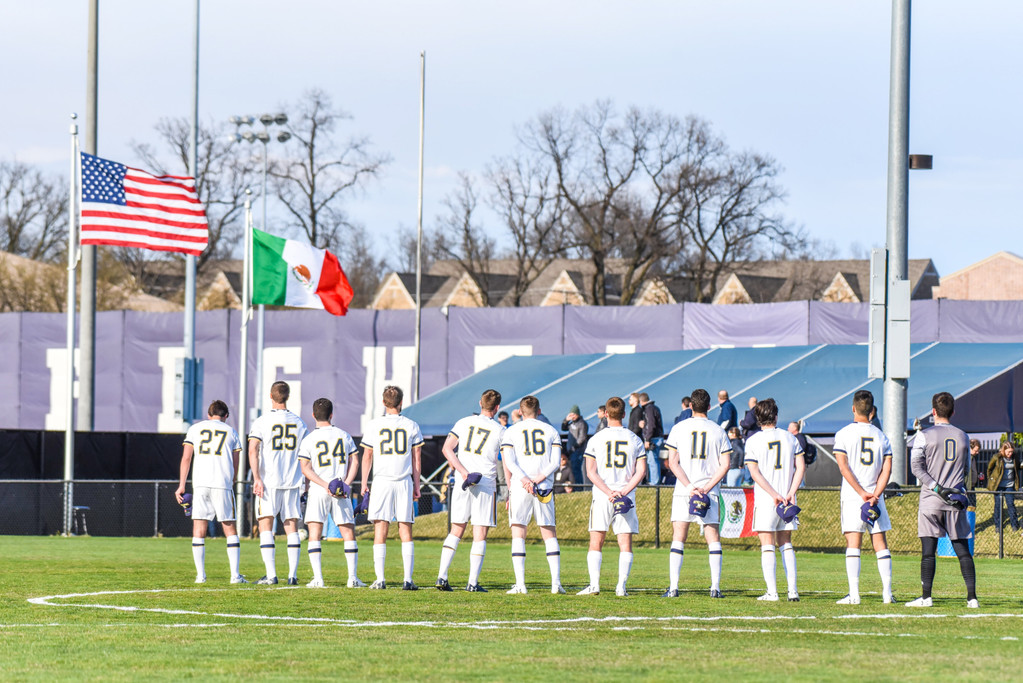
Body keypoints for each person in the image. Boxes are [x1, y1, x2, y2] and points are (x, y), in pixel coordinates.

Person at [906, 391, 978, 608]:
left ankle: (926, 597)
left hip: (931, 499)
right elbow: (966, 469)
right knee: (962, 550)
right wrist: (956, 489)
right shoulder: (963, 436)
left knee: (928, 550)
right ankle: (972, 598)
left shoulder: (923, 435)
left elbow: (916, 467)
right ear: (953, 411)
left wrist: (937, 487)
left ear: (933, 411)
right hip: (955, 499)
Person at [662, 388, 731, 598]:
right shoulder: (718, 430)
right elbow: (725, 464)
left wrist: (690, 487)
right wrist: (706, 488)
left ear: (691, 405)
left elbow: (672, 462)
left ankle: (674, 587)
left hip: (685, 490)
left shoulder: (679, 427)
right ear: (710, 406)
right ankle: (715, 587)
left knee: (679, 537)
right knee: (713, 537)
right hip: (708, 492)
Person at [578, 396, 647, 596]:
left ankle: (594, 585)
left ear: (606, 414)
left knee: (596, 541)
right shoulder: (634, 438)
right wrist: (623, 492)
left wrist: (609, 492)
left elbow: (591, 472)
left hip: (602, 495)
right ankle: (621, 587)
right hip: (626, 496)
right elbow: (641, 471)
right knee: (625, 543)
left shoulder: (596, 438)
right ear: (624, 414)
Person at [436, 389, 503, 592]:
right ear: (497, 408)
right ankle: (472, 582)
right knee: (479, 534)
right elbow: (506, 461)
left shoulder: (464, 422)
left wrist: (463, 472)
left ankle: (442, 576)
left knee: (456, 531)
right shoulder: (500, 430)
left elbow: (447, 449)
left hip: (463, 482)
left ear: (479, 403)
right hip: (485, 483)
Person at [832, 390, 895, 604]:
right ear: (872, 410)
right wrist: (875, 494)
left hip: (853, 496)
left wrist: (861, 493)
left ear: (853, 408)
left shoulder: (843, 434)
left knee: (853, 543)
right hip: (875, 498)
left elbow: (843, 467)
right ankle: (887, 593)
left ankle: (854, 594)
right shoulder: (882, 436)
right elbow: (887, 470)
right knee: (880, 543)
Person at [360, 385, 424, 591]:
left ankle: (380, 579)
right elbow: (417, 459)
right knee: (405, 528)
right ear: (401, 402)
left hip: (382, 480)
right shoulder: (411, 425)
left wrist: (363, 483)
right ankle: (407, 579)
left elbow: (367, 456)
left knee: (381, 527)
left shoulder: (374, 425)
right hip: (403, 480)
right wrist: (417, 485)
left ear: (383, 402)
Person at [176, 400, 246, 585]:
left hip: (201, 483)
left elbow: (186, 458)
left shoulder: (195, 429)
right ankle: (235, 575)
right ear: (226, 416)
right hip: (222, 482)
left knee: (199, 528)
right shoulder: (231, 431)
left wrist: (182, 484)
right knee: (229, 527)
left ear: (208, 414)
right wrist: (232, 479)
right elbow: (236, 460)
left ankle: (200, 576)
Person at [500, 395, 565, 595]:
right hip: (543, 485)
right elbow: (555, 463)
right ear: (539, 410)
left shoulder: (511, 431)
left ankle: (521, 584)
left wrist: (526, 480)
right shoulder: (551, 430)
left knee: (518, 531)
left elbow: (509, 463)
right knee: (549, 532)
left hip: (521, 485)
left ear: (520, 411)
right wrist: (537, 480)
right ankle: (556, 584)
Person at [297, 397, 363, 588]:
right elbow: (355, 462)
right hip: (340, 490)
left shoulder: (309, 439)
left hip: (319, 489)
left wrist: (324, 484)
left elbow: (305, 468)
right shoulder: (344, 435)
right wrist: (346, 484)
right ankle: (352, 578)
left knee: (315, 533)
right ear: (332, 414)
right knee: (348, 532)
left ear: (312, 415)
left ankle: (318, 578)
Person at [248, 381, 308, 586]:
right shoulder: (300, 423)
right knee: (291, 526)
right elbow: (305, 454)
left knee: (266, 524)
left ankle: (272, 575)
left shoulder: (262, 421)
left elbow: (253, 449)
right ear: (288, 396)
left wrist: (256, 477)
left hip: (269, 480)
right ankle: (292, 575)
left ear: (271, 397)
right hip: (292, 480)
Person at [745, 398, 805, 602]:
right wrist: (790, 492)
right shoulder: (790, 438)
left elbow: (754, 473)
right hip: (787, 499)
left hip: (767, 499)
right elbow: (801, 468)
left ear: (757, 418)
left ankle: (772, 592)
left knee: (767, 544)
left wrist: (773, 494)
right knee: (786, 543)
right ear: (776, 416)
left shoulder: (753, 440)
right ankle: (793, 591)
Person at [986, 441, 1021, 533]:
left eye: (1011, 452)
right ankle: (998, 525)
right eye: (1008, 452)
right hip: (999, 486)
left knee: (1010, 504)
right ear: (1003, 450)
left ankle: (1014, 525)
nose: (1010, 454)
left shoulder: (1014, 457)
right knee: (998, 505)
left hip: (1010, 485)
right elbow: (989, 469)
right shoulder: (997, 457)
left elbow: (1017, 467)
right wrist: (992, 480)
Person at [639, 393, 665, 485]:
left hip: (654, 438)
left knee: (653, 460)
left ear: (641, 401)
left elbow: (651, 425)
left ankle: (654, 482)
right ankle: (653, 481)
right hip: (656, 437)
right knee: (652, 460)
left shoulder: (649, 409)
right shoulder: (653, 408)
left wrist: (647, 439)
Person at [562, 405, 589, 486]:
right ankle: (576, 486)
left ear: (577, 414)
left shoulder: (582, 423)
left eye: (574, 414)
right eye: (571, 414)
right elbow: (563, 428)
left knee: (577, 470)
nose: (572, 416)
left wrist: (573, 448)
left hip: (578, 451)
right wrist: (566, 420)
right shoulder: (571, 423)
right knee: (573, 470)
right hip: (571, 451)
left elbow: (582, 438)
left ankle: (579, 487)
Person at [967, 439, 985, 509]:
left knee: (972, 506)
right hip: (967, 487)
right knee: (969, 506)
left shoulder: (973, 458)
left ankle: (971, 520)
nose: (977, 452)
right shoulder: (966, 458)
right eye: (976, 450)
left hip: (972, 486)